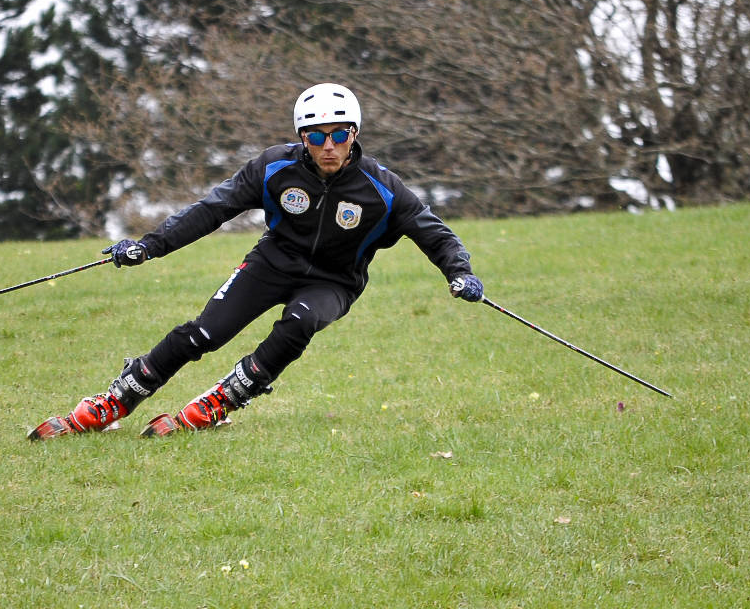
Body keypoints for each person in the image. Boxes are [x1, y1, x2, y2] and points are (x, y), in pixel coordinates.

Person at [28, 82, 484, 441]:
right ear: (302, 138)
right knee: (204, 333)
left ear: (355, 135)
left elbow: (434, 233)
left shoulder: (383, 188)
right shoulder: (271, 168)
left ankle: (224, 399)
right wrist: (150, 245)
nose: (329, 145)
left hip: (334, 282)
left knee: (299, 324)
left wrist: (460, 273)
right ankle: (119, 399)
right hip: (272, 262)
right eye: (317, 136)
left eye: (339, 134)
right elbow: (213, 209)